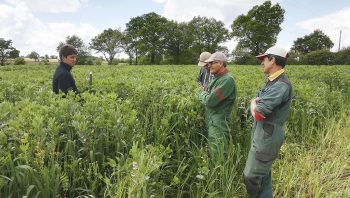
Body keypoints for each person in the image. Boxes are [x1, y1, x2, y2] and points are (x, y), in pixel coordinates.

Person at [243, 46, 294, 198]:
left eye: (264, 59)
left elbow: (258, 113)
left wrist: (253, 103)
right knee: (263, 175)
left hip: (268, 136)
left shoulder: (281, 85)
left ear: (273, 60)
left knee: (250, 176)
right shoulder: (272, 81)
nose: (262, 63)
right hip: (263, 133)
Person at [198, 51, 236, 163]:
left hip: (219, 122)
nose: (209, 66)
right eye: (208, 64)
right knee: (213, 148)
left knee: (217, 152)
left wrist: (201, 94)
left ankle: (219, 177)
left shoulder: (227, 80)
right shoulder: (217, 78)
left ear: (220, 63)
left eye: (211, 63)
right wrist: (206, 93)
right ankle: (215, 173)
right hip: (212, 119)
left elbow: (210, 101)